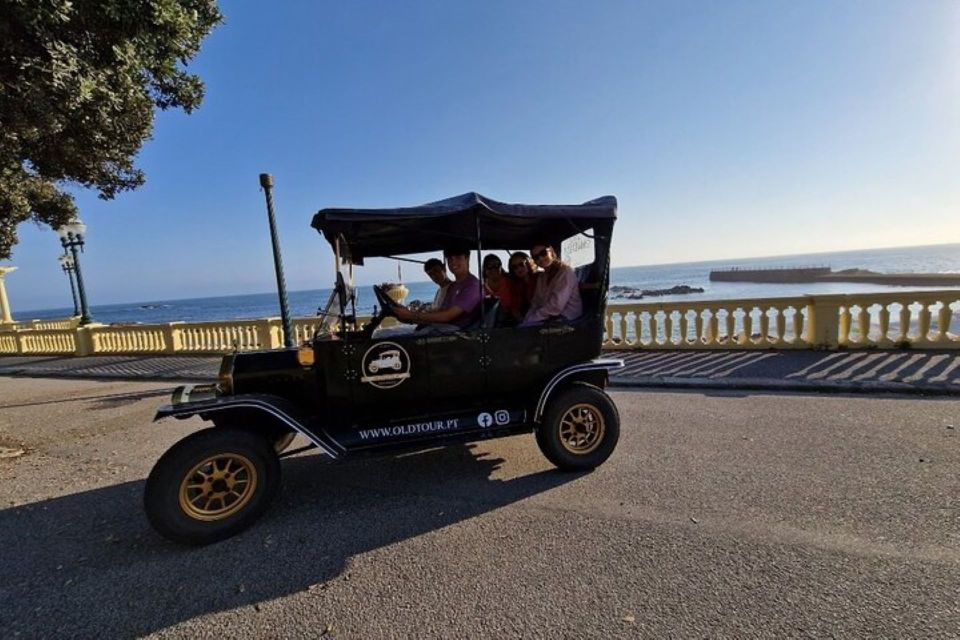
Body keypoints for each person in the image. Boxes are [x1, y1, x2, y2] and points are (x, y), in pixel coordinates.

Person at [395, 246, 481, 329]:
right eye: (450, 259)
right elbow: (439, 314)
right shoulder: (454, 286)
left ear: (467, 258)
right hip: (443, 328)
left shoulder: (472, 286)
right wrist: (410, 318)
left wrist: (411, 315)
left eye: (458, 257)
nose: (453, 262)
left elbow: (446, 316)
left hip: (456, 334)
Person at [521, 242, 582, 326]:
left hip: (569, 319)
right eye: (536, 257)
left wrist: (532, 319)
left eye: (543, 253)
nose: (541, 258)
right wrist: (527, 319)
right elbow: (536, 301)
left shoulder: (565, 272)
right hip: (550, 317)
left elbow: (556, 306)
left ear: (551, 251)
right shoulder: (542, 277)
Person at [482, 254, 524, 322]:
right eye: (489, 266)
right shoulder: (481, 289)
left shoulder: (511, 282)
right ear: (484, 269)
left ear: (501, 267)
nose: (493, 269)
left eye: (496, 265)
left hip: (512, 321)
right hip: (490, 324)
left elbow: (516, 308)